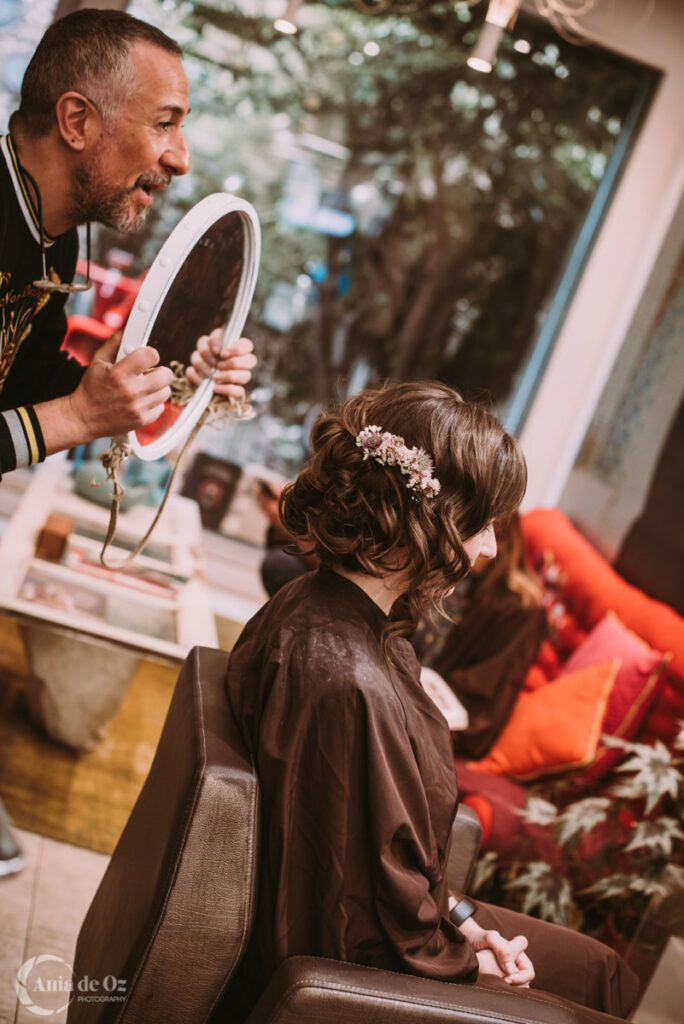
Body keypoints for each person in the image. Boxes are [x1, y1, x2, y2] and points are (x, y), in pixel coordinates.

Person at [224, 381, 638, 1022]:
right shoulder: (348, 683)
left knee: (604, 968)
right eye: (485, 525)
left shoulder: (330, 616)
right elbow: (346, 923)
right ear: (434, 517)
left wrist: (467, 924)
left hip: (410, 925)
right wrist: (467, 963)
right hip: (359, 974)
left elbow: (385, 859)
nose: (493, 550)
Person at [0, 8, 256, 479]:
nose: (182, 159)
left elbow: (25, 388)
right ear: (77, 121)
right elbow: (67, 414)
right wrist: (78, 417)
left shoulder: (57, 241)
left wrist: (177, 378)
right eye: (165, 124)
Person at [414, 513, 547, 760]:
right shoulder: (457, 572)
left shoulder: (520, 607)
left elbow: (485, 693)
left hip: (456, 713)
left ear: (503, 542)